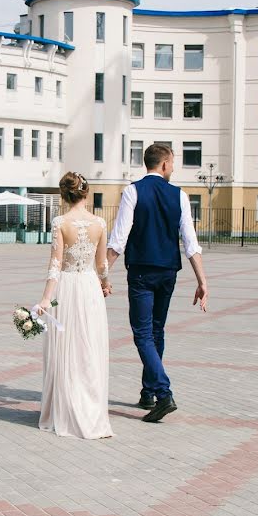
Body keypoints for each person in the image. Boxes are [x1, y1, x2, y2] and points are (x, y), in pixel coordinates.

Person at [107, 143, 208, 423]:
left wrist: (100, 274)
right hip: (168, 272)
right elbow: (190, 242)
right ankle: (148, 392)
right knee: (157, 330)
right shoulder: (180, 196)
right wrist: (202, 281)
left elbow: (118, 240)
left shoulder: (133, 191)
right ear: (163, 165)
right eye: (173, 163)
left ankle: (163, 393)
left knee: (142, 334)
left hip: (141, 271)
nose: (173, 168)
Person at [37, 172, 113, 439]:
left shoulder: (60, 222)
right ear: (86, 193)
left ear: (64, 196)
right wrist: (105, 283)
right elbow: (102, 264)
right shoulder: (100, 223)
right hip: (89, 287)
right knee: (88, 348)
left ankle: (67, 408)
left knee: (66, 350)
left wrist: (46, 298)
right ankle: (91, 410)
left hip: (68, 288)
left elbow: (55, 265)